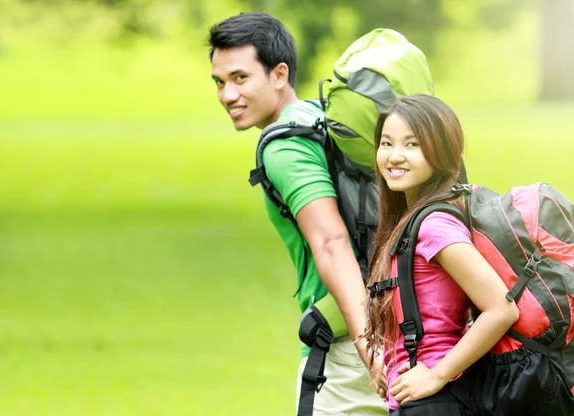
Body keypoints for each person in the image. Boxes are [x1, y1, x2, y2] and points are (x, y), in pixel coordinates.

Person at [208, 12, 387, 415]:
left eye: (240, 78)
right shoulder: (320, 115)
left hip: (348, 347)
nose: (227, 95)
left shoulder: (284, 146)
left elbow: (330, 241)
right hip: (407, 316)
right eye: (219, 82)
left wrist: (369, 346)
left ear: (279, 73)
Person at [363, 94, 520, 415]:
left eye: (412, 145)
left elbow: (501, 309)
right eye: (386, 143)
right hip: (422, 396)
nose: (394, 156)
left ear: (442, 151)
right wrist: (390, 364)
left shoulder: (434, 225)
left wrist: (437, 373)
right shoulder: (410, 219)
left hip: (438, 400)